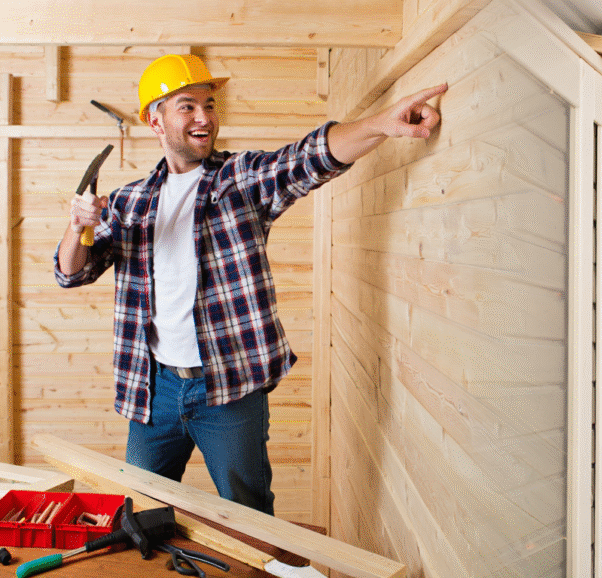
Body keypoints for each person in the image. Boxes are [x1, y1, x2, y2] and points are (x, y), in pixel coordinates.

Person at [55, 54, 446, 515]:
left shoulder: (238, 180)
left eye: (210, 104)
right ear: (154, 120)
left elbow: (308, 157)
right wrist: (76, 224)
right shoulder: (128, 202)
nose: (205, 118)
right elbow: (70, 272)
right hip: (153, 388)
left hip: (229, 388)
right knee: (139, 512)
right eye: (187, 106)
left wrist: (382, 123)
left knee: (250, 517)